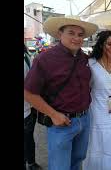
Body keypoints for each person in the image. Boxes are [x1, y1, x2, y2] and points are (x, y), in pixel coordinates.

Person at [24, 16, 98, 170]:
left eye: (80, 35)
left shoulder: (84, 58)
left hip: (84, 119)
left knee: (77, 162)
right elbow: (28, 93)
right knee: (60, 167)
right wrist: (53, 114)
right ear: (59, 34)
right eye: (71, 33)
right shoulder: (44, 59)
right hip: (61, 123)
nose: (76, 38)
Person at [82, 30, 111, 170]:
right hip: (98, 111)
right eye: (109, 44)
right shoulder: (91, 64)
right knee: (99, 144)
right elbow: (86, 87)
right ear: (101, 44)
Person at [24, 44, 42, 170]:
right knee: (28, 139)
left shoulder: (26, 57)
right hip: (28, 108)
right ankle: (31, 163)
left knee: (28, 139)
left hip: (27, 108)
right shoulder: (26, 57)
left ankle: (31, 163)